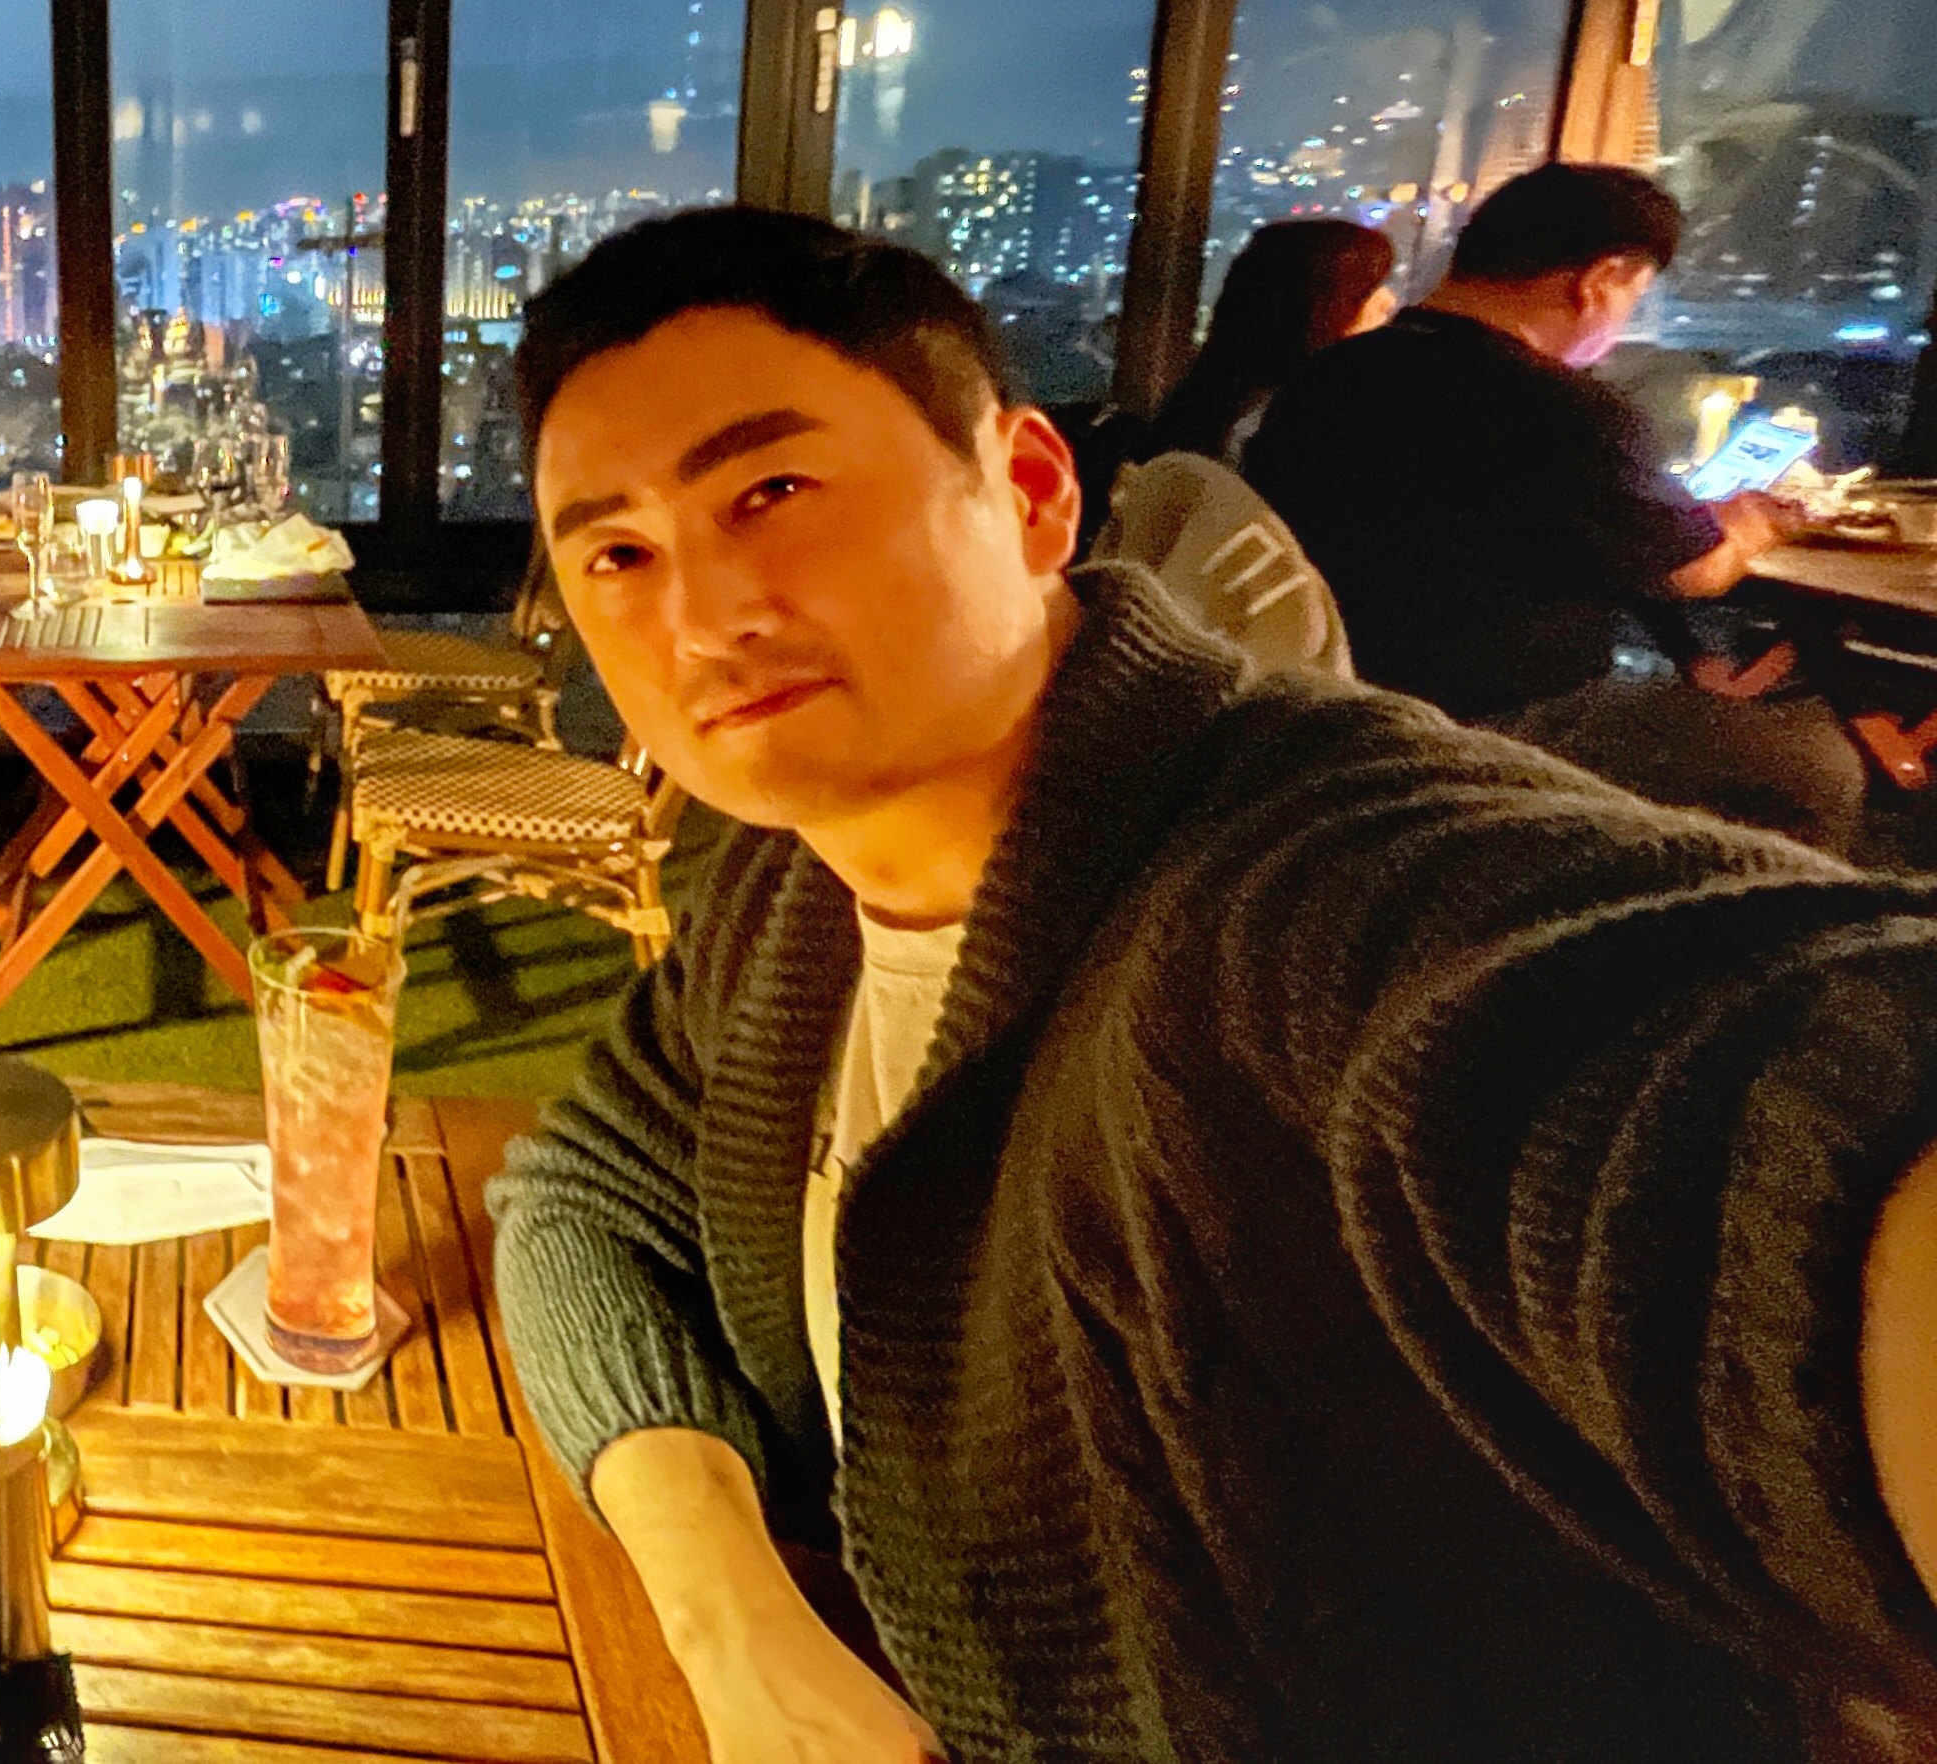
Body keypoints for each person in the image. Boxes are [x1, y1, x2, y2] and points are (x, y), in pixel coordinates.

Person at [484, 206, 1937, 1763]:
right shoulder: (790, 895)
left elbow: (1734, 1106)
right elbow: (582, 1192)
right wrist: (727, 1607)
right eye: (619, 554)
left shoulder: (1309, 893)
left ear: (1031, 493)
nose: (706, 615)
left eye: (773, 492)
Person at [1242, 162, 1856, 847]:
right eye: (1633, 298)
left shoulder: (1328, 374)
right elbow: (1695, 572)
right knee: (1813, 765)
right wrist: (1751, 525)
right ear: (1598, 281)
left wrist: (1690, 649)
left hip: (1328, 700)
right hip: (1491, 720)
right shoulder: (1563, 409)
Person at [1143, 215, 1399, 461]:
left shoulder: (1204, 412)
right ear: (1315, 306)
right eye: (1369, 288)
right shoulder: (1305, 425)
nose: (1389, 301)